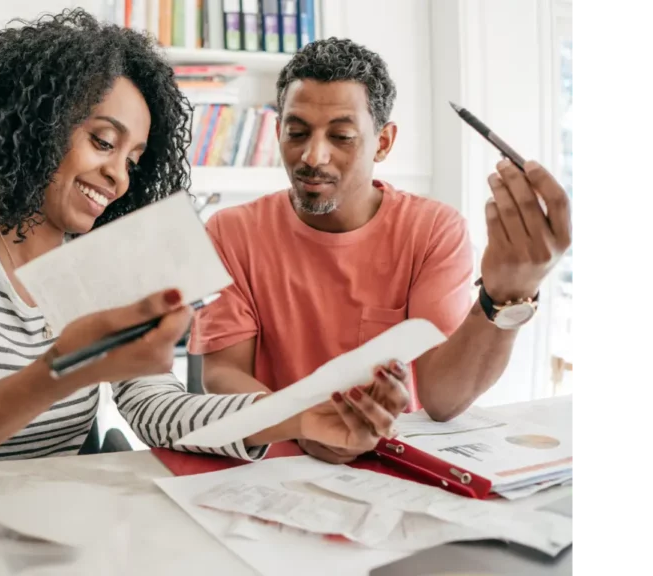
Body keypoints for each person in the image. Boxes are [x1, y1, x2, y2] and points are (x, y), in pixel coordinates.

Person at [0, 11, 409, 511]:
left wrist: (299, 415)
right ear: (32, 124)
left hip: (41, 526)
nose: (119, 176)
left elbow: (159, 409)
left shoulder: (102, 266)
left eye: (134, 159)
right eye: (104, 142)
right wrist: (60, 372)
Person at [190, 37, 572, 464]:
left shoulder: (431, 230)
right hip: (272, 461)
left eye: (342, 136)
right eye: (296, 133)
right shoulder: (230, 231)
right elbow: (222, 372)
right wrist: (301, 422)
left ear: (384, 143)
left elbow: (442, 400)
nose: (313, 156)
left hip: (389, 463)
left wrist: (505, 294)